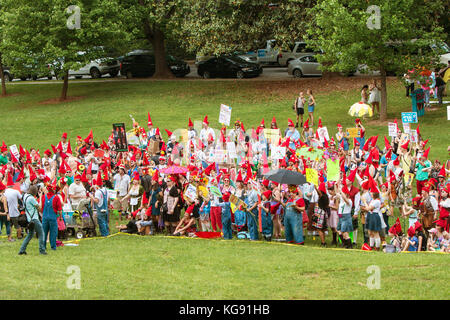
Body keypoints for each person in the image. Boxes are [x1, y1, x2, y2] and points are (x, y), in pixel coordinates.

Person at [18, 185, 46, 255]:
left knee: (30, 234)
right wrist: (40, 197)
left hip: (29, 218)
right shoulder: (31, 198)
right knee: (41, 233)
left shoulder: (25, 196)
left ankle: (22, 250)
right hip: (34, 218)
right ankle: (42, 250)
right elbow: (39, 208)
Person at [40, 181, 62, 251]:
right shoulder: (56, 198)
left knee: (44, 232)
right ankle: (53, 247)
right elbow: (60, 210)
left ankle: (43, 246)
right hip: (53, 217)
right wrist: (60, 217)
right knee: (53, 232)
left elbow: (41, 207)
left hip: (45, 217)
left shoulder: (43, 197)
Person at [4, 173, 23, 240]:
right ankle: (19, 236)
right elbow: (21, 198)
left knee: (9, 226)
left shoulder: (5, 192)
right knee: (18, 225)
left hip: (7, 212)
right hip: (15, 211)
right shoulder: (16, 191)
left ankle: (10, 236)